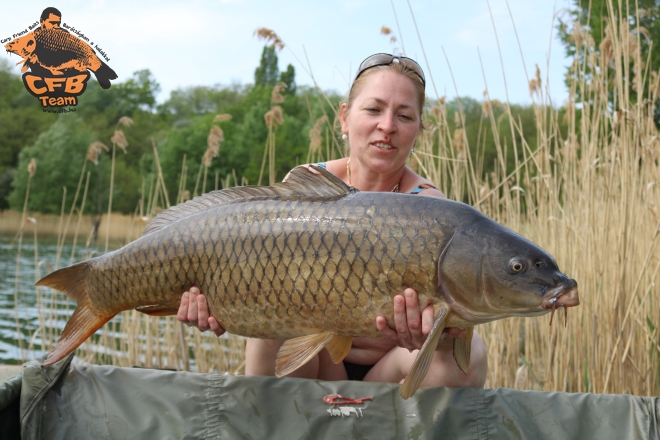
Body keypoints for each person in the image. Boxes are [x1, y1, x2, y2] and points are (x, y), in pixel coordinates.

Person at [178, 53, 487, 388]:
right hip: (317, 360)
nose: (387, 126)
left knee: (471, 354)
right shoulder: (306, 184)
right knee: (270, 331)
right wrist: (220, 304)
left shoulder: (431, 211)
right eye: (373, 109)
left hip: (389, 373)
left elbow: (455, 316)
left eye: (404, 116)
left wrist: (439, 334)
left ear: (418, 130)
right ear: (344, 118)